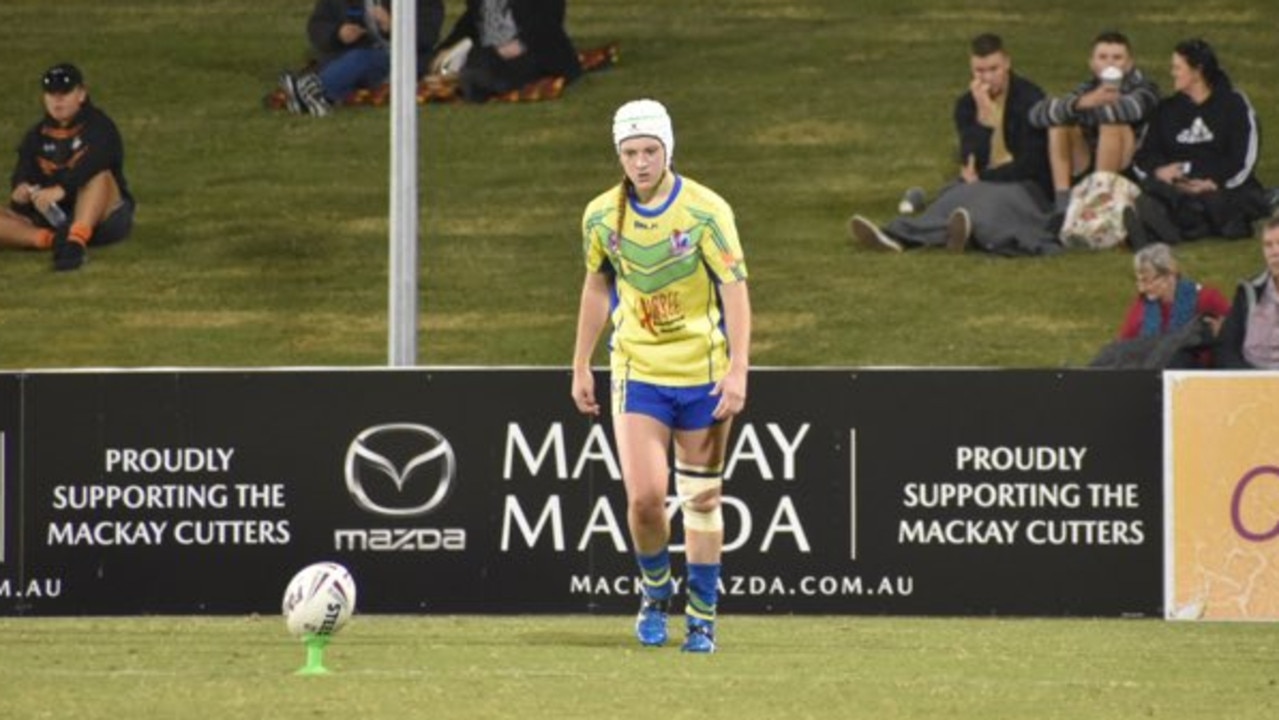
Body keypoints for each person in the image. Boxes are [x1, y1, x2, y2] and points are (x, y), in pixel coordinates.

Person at [571, 99, 750, 654]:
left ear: (668, 149)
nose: (642, 163)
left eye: (651, 151)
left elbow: (734, 289)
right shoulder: (601, 215)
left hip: (702, 372)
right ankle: (654, 593)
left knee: (700, 499)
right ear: (618, 155)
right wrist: (580, 362)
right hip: (637, 370)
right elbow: (597, 285)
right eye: (630, 153)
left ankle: (702, 616)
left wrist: (739, 366)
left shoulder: (706, 211)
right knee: (646, 499)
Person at [847, 33, 1058, 256]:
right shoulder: (967, 104)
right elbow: (971, 161)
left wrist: (984, 178)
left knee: (987, 201)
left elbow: (1033, 162)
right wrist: (984, 119)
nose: (987, 78)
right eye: (980, 71)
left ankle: (927, 236)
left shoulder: (1030, 98)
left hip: (1025, 185)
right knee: (951, 199)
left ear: (1007, 63)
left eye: (993, 69)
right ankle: (895, 235)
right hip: (982, 181)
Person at [1131, 38, 1268, 242]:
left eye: (1177, 67)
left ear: (1197, 71)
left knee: (1224, 200)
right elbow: (1144, 155)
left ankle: (1177, 227)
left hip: (1220, 186)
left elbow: (1243, 159)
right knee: (1157, 192)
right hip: (1179, 187)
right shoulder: (1166, 109)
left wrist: (1213, 183)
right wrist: (1160, 171)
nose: (1172, 73)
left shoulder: (1233, 105)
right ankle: (1179, 224)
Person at [0, 63, 134, 272]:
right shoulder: (35, 136)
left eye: (64, 93)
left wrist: (61, 190)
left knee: (100, 176)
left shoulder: (100, 127)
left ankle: (76, 241)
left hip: (102, 218)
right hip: (52, 218)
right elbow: (22, 173)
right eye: (51, 94)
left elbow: (96, 162)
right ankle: (51, 240)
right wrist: (22, 190)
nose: (57, 100)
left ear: (81, 94)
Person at [1028, 31, 1161, 214]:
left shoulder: (1145, 89)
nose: (1110, 62)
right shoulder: (1087, 90)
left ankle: (1098, 201)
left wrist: (1081, 108)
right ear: (1092, 63)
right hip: (1087, 158)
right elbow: (1037, 115)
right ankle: (1062, 205)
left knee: (1111, 125)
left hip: (1128, 165)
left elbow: (1124, 111)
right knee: (1059, 126)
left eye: (1117, 57)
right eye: (1103, 57)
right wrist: (1080, 103)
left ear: (1129, 63)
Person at [280, 0, 445, 116]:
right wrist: (337, 33)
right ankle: (310, 90)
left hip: (403, 59)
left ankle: (315, 89)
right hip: (352, 55)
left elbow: (427, 36)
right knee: (351, 60)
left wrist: (394, 26)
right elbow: (317, 26)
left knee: (361, 60)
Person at [1096, 242, 1229, 368]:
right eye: (1139, 281)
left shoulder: (1206, 298)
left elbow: (1232, 334)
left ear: (1169, 275)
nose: (1142, 289)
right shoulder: (1142, 305)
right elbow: (1124, 346)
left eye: (1148, 281)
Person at [429, 0, 582, 103]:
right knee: (435, 66)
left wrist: (515, 46)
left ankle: (466, 81)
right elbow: (472, 22)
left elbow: (547, 24)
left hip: (534, 50)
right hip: (489, 54)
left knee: (483, 70)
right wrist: (445, 49)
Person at [1217, 216, 1279, 369]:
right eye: (1268, 245)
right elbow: (1226, 347)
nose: (1275, 252)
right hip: (1249, 382)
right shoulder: (1248, 292)